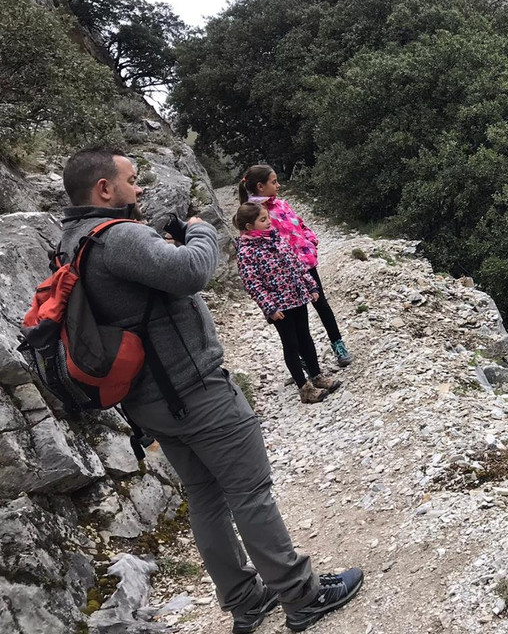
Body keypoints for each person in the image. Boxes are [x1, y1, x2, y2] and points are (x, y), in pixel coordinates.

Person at [59, 148, 362, 633]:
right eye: (132, 180)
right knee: (251, 492)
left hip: (148, 401)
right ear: (104, 189)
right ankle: (302, 596)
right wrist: (200, 228)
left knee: (205, 497)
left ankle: (246, 601)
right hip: (194, 387)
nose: (138, 189)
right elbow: (191, 271)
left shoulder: (72, 239)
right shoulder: (117, 238)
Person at [238, 165, 353, 367]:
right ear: (260, 186)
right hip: (282, 276)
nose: (278, 185)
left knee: (321, 304)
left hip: (305, 264)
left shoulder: (282, 205)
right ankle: (304, 360)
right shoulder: (255, 216)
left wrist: (310, 243)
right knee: (296, 320)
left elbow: (301, 225)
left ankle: (338, 344)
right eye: (273, 182)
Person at [234, 202, 340, 403]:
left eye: (267, 218)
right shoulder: (246, 251)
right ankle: (304, 388)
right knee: (290, 344)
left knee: (305, 338)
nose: (268, 222)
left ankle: (317, 376)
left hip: (297, 297)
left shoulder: (277, 238)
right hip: (279, 307)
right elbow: (252, 283)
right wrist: (270, 307)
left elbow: (297, 265)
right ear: (249, 226)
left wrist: (311, 286)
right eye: (262, 220)